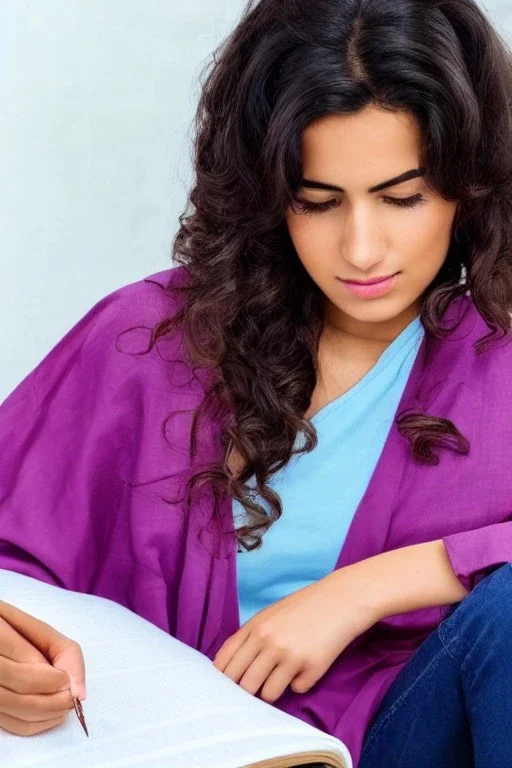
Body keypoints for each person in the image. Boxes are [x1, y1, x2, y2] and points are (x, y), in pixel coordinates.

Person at [1, 0, 512, 765]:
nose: (363, 248)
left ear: (469, 184)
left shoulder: (498, 357)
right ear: (267, 195)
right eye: (318, 201)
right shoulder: (146, 342)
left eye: (402, 197)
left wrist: (372, 587)